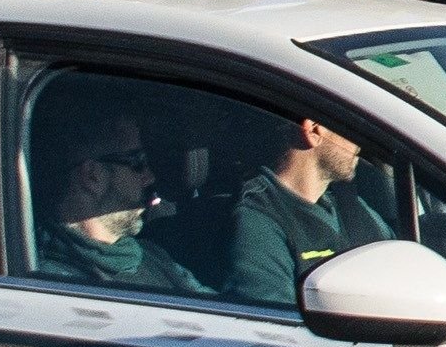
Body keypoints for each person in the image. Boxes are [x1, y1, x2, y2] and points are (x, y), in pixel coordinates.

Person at [34, 110, 214, 297]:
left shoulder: (151, 257)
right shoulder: (54, 282)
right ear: (92, 176)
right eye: (137, 161)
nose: (149, 177)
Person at [225, 114, 398, 309]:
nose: (359, 143)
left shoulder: (352, 207)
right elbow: (275, 327)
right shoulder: (257, 220)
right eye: (351, 128)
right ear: (314, 131)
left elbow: (403, 272)